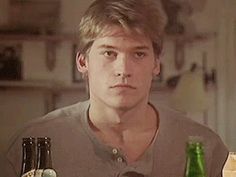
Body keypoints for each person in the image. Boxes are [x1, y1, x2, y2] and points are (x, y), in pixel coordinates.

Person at [2, 0, 228, 177]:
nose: (123, 69)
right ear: (83, 62)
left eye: (138, 54)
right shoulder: (34, 144)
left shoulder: (205, 148)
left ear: (156, 64)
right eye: (109, 53)